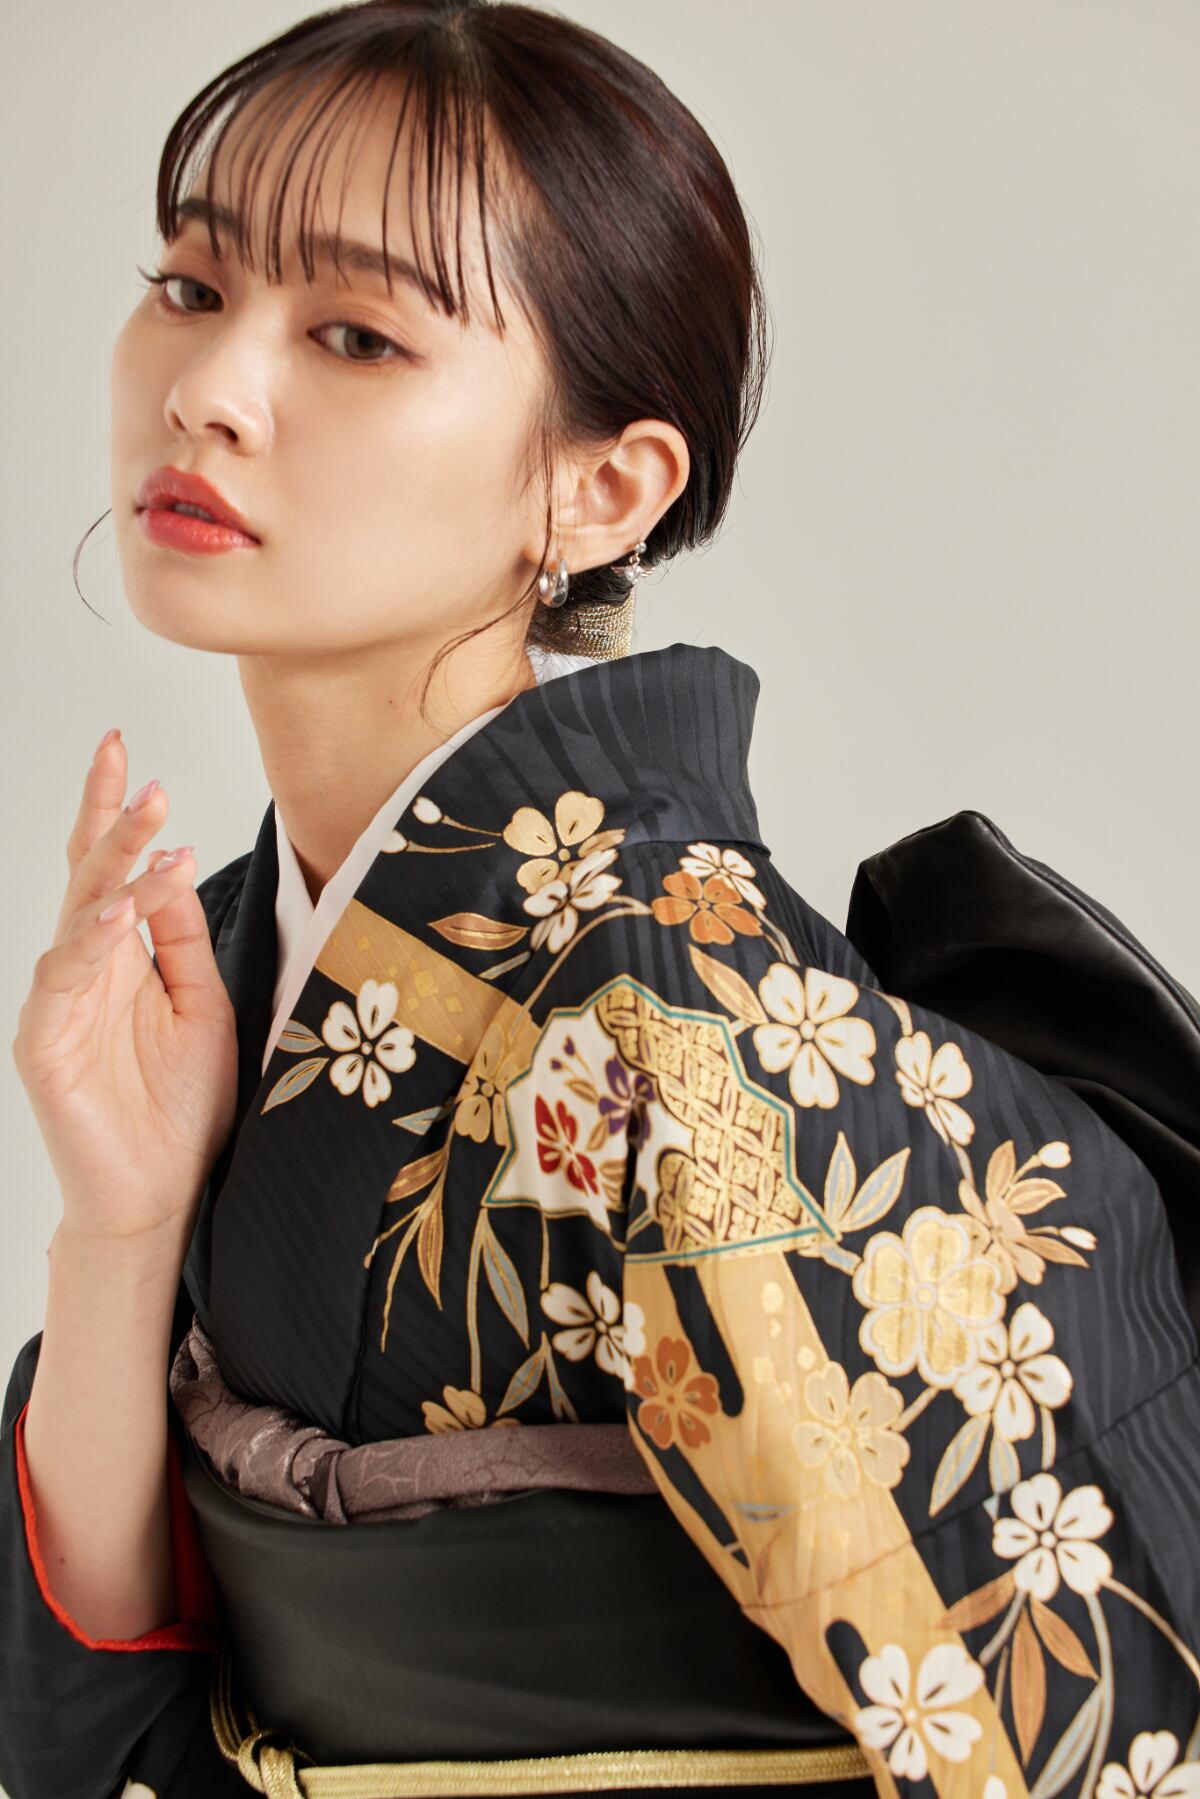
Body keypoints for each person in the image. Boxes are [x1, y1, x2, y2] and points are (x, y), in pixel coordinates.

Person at [3, 4, 1198, 1798]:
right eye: (190, 286)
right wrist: (121, 1229)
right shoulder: (253, 955)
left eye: (355, 334)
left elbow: (1068, 1744)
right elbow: (103, 1731)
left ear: (600, 488)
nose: (210, 387)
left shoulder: (679, 1021)